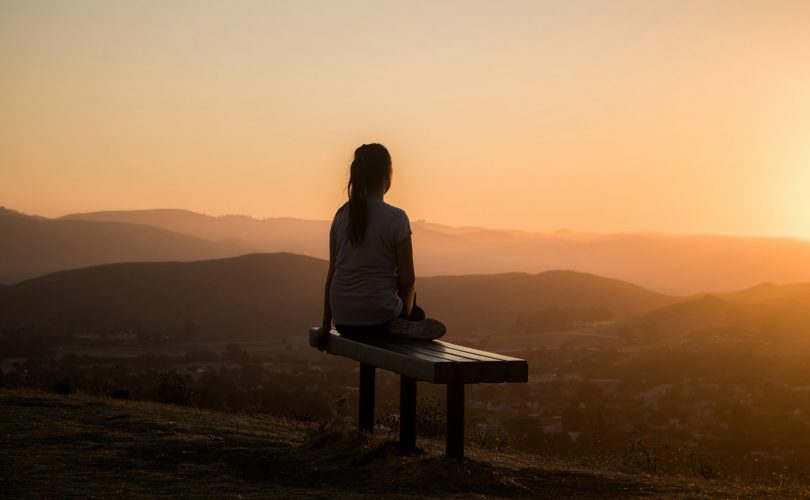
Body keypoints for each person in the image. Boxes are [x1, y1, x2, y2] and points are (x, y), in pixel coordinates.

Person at [314, 143, 445, 350]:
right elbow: (407, 280)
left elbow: (332, 274)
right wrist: (406, 310)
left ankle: (406, 322)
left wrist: (325, 325)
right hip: (380, 321)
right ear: (387, 175)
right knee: (413, 301)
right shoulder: (396, 218)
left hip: (344, 322)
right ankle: (408, 323)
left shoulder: (340, 216)